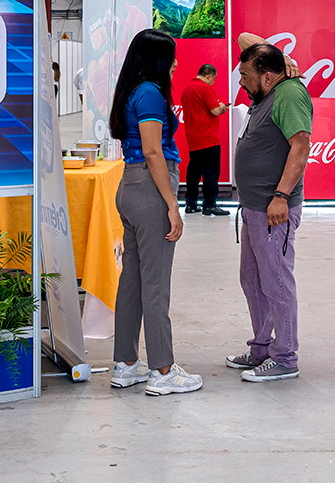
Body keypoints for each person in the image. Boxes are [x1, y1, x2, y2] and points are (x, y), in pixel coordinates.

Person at [107, 28, 202, 396]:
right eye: (172, 57)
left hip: (130, 187)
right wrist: (172, 205)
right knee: (156, 284)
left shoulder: (132, 90)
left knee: (131, 280)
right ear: (158, 61)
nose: (176, 64)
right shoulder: (150, 93)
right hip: (149, 188)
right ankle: (163, 369)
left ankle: (126, 363)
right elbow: (152, 150)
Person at [227, 42, 312, 382]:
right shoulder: (269, 90)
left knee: (276, 281)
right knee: (253, 279)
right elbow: (248, 39)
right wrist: (286, 58)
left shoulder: (289, 94)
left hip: (273, 210)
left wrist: (281, 196)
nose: (241, 84)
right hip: (253, 208)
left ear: (266, 76)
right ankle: (261, 346)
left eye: (245, 77)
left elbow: (301, 145)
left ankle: (285, 357)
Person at [180, 64, 229, 216]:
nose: (213, 82)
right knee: (211, 173)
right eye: (213, 79)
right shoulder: (205, 89)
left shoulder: (187, 89)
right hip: (208, 138)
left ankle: (191, 203)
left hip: (193, 138)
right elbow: (215, 110)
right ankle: (209, 204)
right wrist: (222, 107)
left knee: (193, 172)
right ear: (209, 76)